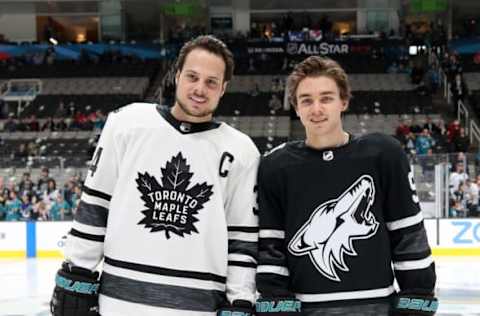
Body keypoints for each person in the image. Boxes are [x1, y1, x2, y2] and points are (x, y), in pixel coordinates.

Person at [50, 35, 260, 316]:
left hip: (198, 308)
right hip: (119, 304)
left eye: (211, 82)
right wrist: (77, 269)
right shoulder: (127, 123)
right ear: (176, 75)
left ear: (223, 88)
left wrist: (240, 300)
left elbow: (242, 237)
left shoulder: (242, 151)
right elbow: (95, 205)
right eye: (192, 77)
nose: (200, 88)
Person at [255, 56, 437, 316]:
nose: (316, 109)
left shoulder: (383, 154)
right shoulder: (276, 166)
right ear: (296, 108)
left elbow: (409, 237)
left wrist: (417, 304)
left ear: (344, 101)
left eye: (326, 98)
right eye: (306, 100)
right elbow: (271, 251)